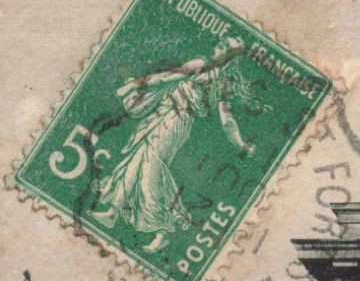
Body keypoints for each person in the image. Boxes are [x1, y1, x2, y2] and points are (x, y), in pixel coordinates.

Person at [89, 38, 266, 253]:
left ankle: (162, 229)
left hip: (176, 122)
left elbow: (226, 120)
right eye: (218, 43)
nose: (216, 47)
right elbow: (166, 77)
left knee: (150, 168)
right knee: (135, 158)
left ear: (228, 55)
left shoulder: (222, 82)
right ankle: (113, 212)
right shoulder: (201, 65)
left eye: (222, 47)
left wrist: (240, 144)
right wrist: (136, 84)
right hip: (162, 114)